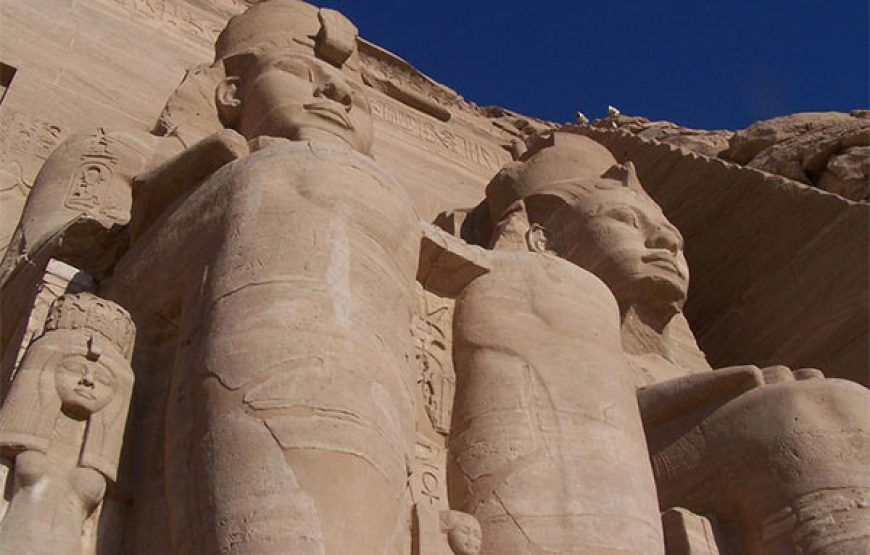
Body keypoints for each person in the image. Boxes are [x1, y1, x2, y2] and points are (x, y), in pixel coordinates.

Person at [447, 130, 870, 554]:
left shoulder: (670, 353)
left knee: (833, 406)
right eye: (625, 221)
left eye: (676, 239)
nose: (666, 242)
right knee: (808, 411)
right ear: (544, 240)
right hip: (587, 468)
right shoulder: (541, 295)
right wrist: (744, 389)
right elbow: (579, 411)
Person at [104, 2, 421, 553]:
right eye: (302, 74)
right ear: (230, 95)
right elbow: (39, 281)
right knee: (292, 177)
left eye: (358, 96)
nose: (338, 94)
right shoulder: (117, 154)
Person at [0, 293, 135, 555]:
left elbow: (104, 535)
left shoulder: (104, 469)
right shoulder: (14, 449)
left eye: (103, 379)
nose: (88, 381)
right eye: (75, 369)